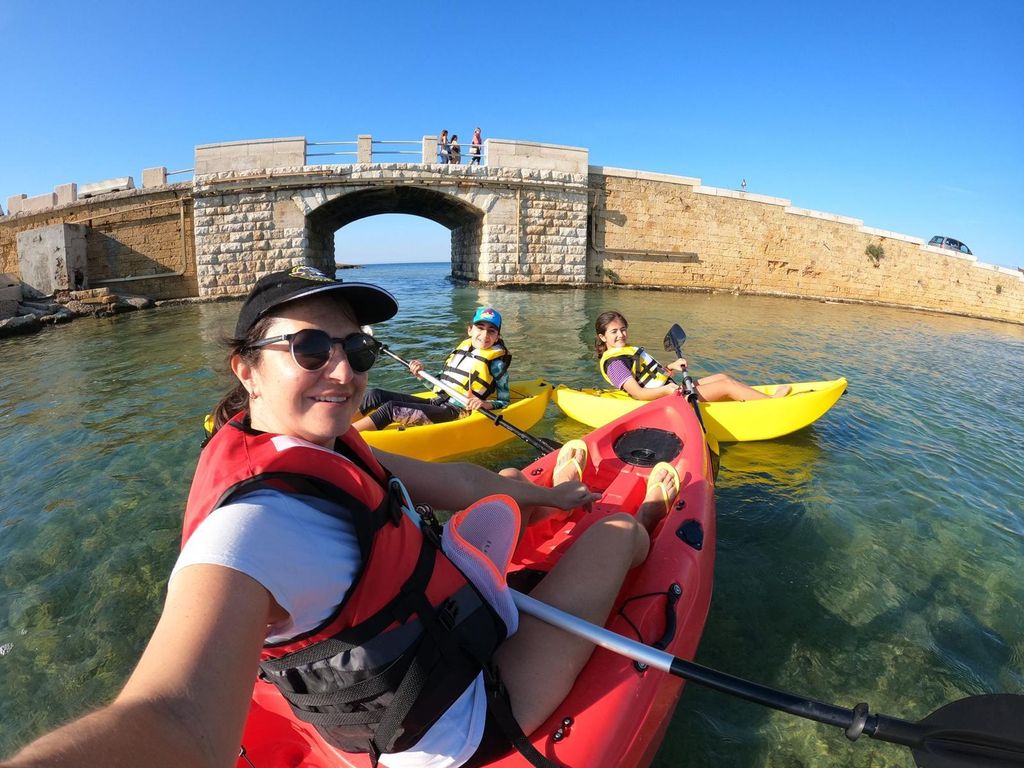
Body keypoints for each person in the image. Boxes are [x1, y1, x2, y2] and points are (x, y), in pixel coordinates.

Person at [2, 266, 677, 768]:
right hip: (465, 716)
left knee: (498, 486)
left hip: (447, 638)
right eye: (309, 349)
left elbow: (453, 481)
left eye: (354, 350)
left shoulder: (319, 445)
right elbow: (175, 715)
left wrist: (548, 500)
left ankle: (547, 500)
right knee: (612, 532)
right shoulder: (254, 527)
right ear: (248, 369)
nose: (342, 369)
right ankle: (645, 522)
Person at [354, 306, 509, 432]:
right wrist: (421, 375)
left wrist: (484, 404)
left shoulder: (497, 364)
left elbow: (504, 401)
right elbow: (438, 385)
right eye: (480, 328)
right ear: (470, 330)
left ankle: (345, 439)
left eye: (491, 331)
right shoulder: (462, 351)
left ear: (497, 337)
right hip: (436, 402)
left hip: (456, 412)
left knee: (391, 409)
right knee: (375, 395)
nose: (484, 334)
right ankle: (340, 426)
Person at [595, 310, 791, 402]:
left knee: (721, 377)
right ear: (603, 337)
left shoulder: (628, 351)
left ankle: (753, 398)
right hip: (664, 401)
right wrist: (666, 392)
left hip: (670, 391)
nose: (620, 334)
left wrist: (671, 367)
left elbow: (653, 378)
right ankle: (771, 402)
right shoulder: (615, 364)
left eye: (623, 329)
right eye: (614, 332)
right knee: (725, 386)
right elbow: (638, 393)